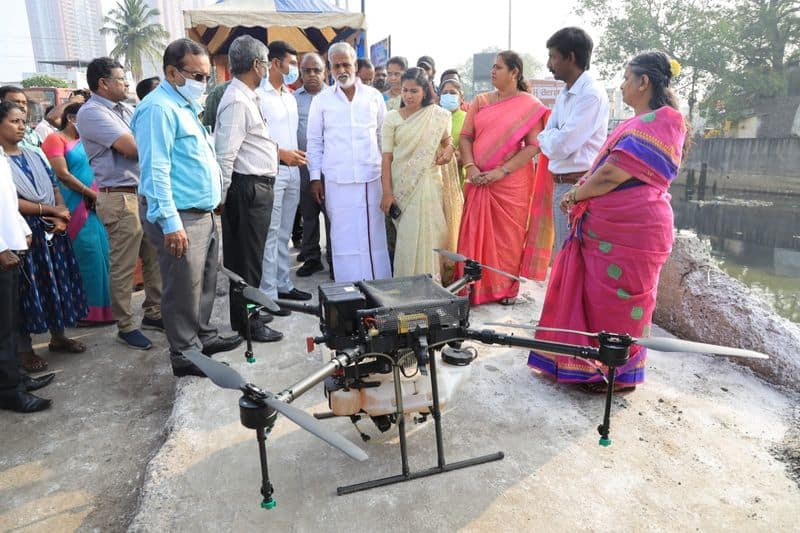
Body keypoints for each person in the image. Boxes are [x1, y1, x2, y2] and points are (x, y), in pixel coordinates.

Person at [528, 51, 688, 392]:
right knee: (595, 299)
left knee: (620, 305)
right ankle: (587, 366)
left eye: (627, 78)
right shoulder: (633, 122)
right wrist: (585, 190)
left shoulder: (666, 120)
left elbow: (614, 173)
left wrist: (576, 195)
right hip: (608, 228)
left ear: (644, 82)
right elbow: (606, 169)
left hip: (634, 230)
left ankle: (614, 374)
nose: (622, 85)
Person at [132, 38, 242, 378]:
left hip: (201, 211)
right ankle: (185, 353)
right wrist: (170, 223)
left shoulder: (183, 105)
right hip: (179, 214)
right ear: (171, 72)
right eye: (196, 76)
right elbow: (156, 170)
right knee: (182, 287)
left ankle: (203, 336)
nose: (203, 83)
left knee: (204, 280)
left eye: (206, 76)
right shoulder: (158, 109)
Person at [76, 57, 163, 350]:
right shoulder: (91, 113)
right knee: (124, 265)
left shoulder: (125, 109)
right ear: (103, 83)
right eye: (121, 78)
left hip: (142, 193)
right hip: (119, 196)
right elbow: (133, 148)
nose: (126, 83)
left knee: (154, 259)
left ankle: (154, 311)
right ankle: (125, 325)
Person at [456, 51, 554, 305]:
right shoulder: (480, 101)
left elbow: (533, 146)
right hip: (477, 179)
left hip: (510, 183)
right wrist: (471, 167)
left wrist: (501, 171)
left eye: (498, 67)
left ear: (514, 73)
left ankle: (503, 288)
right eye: (492, 67)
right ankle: (471, 289)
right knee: (473, 234)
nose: (492, 71)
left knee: (508, 239)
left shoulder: (529, 105)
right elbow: (466, 136)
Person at [0, 101, 88, 373]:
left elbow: (53, 184)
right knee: (28, 290)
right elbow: (10, 201)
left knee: (56, 282)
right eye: (14, 121)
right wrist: (51, 210)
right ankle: (25, 350)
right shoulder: (2, 161)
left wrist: (61, 212)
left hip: (52, 228)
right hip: (23, 232)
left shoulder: (34, 153)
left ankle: (58, 336)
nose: (21, 126)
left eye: (22, 120)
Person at [215, 36, 283, 343]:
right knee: (245, 261)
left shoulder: (247, 97)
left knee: (250, 258)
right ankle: (249, 324)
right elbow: (225, 155)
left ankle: (249, 313)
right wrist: (222, 198)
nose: (268, 67)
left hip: (255, 188)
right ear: (257, 65)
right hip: (245, 190)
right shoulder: (237, 100)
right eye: (267, 61)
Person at [307, 42, 391, 282]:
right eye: (336, 66)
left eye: (346, 64)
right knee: (343, 238)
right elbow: (314, 142)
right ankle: (349, 291)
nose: (342, 69)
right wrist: (315, 178)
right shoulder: (322, 100)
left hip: (370, 177)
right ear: (330, 69)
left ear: (355, 65)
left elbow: (382, 138)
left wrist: (387, 179)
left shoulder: (374, 97)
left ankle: (378, 287)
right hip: (337, 179)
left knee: (373, 235)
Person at [537, 27, 609, 254]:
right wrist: (551, 137)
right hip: (561, 185)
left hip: (579, 187)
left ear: (570, 58)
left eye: (553, 57)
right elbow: (546, 137)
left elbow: (560, 145)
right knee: (564, 256)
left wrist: (551, 137)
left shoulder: (590, 94)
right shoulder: (565, 93)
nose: (549, 64)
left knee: (575, 258)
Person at [42, 102, 113, 325]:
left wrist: (98, 194)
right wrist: (88, 194)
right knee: (86, 257)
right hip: (74, 206)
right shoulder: (55, 139)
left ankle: (106, 311)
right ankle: (84, 312)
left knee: (103, 256)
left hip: (95, 205)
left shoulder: (87, 141)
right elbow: (61, 174)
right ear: (73, 118)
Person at [380, 67, 455, 280]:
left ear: (425, 91)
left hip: (430, 185)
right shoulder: (392, 118)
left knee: (433, 236)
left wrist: (450, 149)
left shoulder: (438, 115)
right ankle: (407, 290)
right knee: (408, 239)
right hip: (403, 189)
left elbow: (447, 140)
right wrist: (387, 192)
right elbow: (386, 158)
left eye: (414, 91)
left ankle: (432, 289)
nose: (408, 95)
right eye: (405, 90)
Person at [256, 40, 311, 303]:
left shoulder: (289, 96)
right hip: (272, 171)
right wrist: (281, 155)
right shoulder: (258, 96)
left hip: (293, 172)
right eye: (291, 63)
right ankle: (268, 294)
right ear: (276, 63)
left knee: (285, 233)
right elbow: (255, 138)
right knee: (270, 233)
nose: (294, 69)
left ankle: (283, 283)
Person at [0, 150, 55, 413]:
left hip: (12, 245)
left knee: (9, 323)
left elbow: (8, 199)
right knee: (2, 328)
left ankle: (14, 378)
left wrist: (21, 229)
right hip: (3, 252)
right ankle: (9, 391)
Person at [295, 52, 332, 278]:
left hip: (331, 168)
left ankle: (335, 259)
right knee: (308, 216)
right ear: (300, 73)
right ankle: (311, 258)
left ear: (324, 72)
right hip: (303, 167)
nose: (311, 75)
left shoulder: (334, 97)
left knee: (332, 216)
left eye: (316, 70)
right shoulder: (293, 99)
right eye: (307, 71)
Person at [437, 78, 467, 254]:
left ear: (461, 98)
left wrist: (458, 155)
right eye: (445, 93)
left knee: (456, 228)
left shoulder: (468, 119)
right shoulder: (436, 117)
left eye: (453, 93)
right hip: (437, 181)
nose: (448, 96)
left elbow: (473, 147)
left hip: (459, 181)